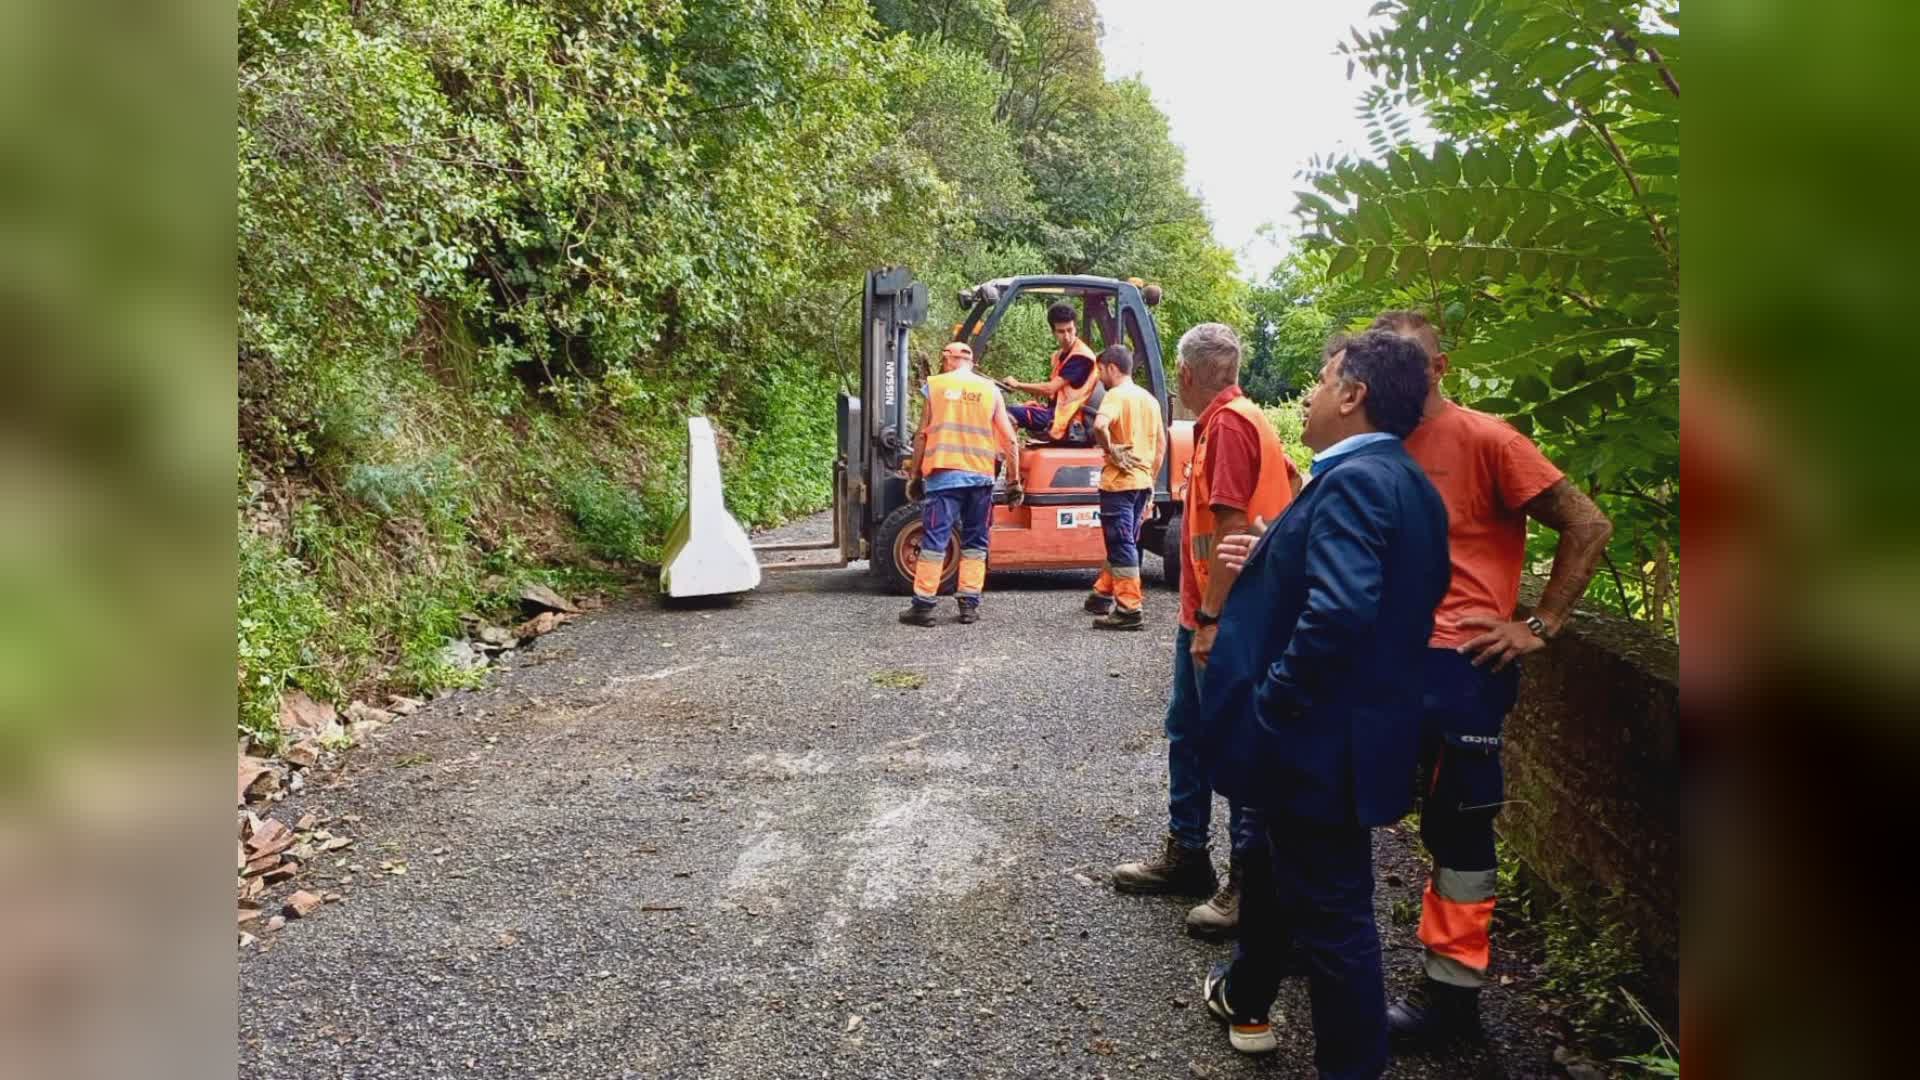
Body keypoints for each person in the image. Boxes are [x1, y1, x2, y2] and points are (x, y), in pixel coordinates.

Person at [1195, 329, 1449, 1075]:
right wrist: (1274, 550)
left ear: (1352, 394)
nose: (1309, 392)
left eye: (1321, 376)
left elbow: (1341, 611)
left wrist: (1275, 703)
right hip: (1348, 736)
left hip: (1318, 744)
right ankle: (1246, 991)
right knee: (1275, 868)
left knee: (1337, 922)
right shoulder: (1403, 481)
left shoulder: (1355, 481)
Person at [1370, 310, 1614, 1045]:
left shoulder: (1488, 440)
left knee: (1460, 831)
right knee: (1337, 802)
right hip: (1382, 661)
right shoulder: (1373, 441)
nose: (1400, 379)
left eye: (1413, 364)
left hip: (1460, 670)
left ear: (1440, 367)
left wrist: (1538, 624)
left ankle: (1452, 998)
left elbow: (1588, 524)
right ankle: (1316, 951)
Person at [1109, 323, 1296, 942]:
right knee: (1186, 731)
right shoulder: (1233, 422)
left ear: (1187, 375)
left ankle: (1248, 884)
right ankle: (1187, 852)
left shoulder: (1234, 426)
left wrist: (1213, 620)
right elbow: (1288, 489)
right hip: (1207, 613)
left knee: (1237, 746)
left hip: (1230, 620)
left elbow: (1237, 529)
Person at [899, 341, 1023, 627]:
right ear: (972, 362)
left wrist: (915, 476)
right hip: (980, 478)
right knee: (976, 541)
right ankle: (968, 604)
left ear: (947, 359)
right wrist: (1014, 481)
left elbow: (921, 435)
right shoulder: (990, 391)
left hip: (943, 478)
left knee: (935, 541)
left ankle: (923, 607)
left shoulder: (937, 387)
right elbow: (1010, 439)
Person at [1085, 344, 1166, 631]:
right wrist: (1151, 483)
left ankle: (1129, 609)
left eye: (1101, 371)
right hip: (1142, 483)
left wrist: (1111, 449)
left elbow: (1099, 426)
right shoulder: (1150, 400)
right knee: (1124, 541)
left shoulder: (1115, 395)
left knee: (1120, 543)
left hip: (1118, 484)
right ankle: (1101, 594)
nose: (1100, 378)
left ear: (1111, 368)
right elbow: (1160, 448)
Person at [1001, 303, 1100, 445]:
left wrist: (1017, 384)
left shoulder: (1081, 357)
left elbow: (1049, 389)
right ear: (1053, 332)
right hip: (1057, 412)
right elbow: (1058, 394)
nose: (1066, 336)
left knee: (1007, 413)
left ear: (1075, 328)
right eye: (1061, 331)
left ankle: (1004, 460)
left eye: (1070, 330)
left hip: (1068, 419)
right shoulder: (1060, 355)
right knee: (1019, 408)